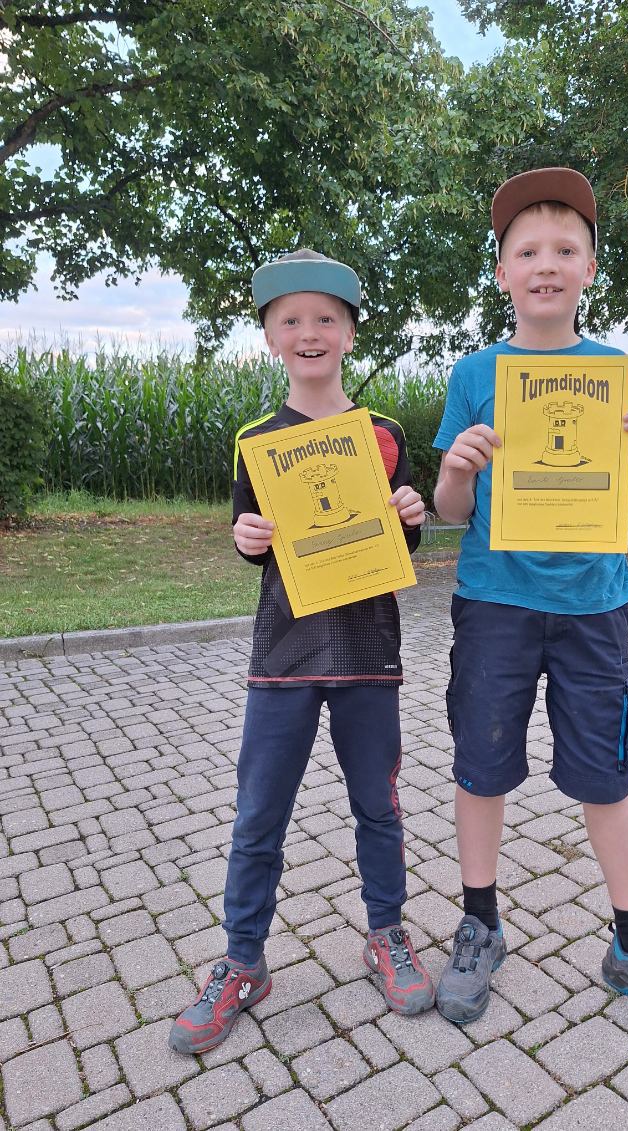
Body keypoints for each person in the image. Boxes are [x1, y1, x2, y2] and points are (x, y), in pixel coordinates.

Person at [431, 168, 628, 1044]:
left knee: (606, 772)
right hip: (494, 602)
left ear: (591, 268)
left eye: (565, 249)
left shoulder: (613, 375)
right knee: (482, 765)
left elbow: (627, 508)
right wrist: (458, 469)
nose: (547, 264)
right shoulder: (475, 374)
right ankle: (480, 925)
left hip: (596, 606)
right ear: (503, 273)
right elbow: (449, 509)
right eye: (528, 251)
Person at [169, 249, 435, 1054]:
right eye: (291, 320)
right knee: (259, 815)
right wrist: (247, 538)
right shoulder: (256, 440)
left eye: (326, 318)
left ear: (350, 334)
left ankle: (385, 934)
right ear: (270, 338)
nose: (309, 331)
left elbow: (399, 541)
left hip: (368, 653)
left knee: (378, 807)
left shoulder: (383, 436)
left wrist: (411, 515)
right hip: (283, 654)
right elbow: (251, 537)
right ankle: (242, 961)